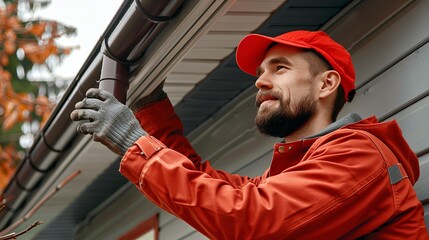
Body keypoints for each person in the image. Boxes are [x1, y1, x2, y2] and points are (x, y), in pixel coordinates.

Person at [71, 30, 429, 239]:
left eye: (280, 68)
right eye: (260, 72)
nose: (259, 81)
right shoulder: (299, 172)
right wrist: (150, 109)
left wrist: (134, 142)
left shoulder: (359, 156)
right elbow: (203, 181)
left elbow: (247, 219)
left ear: (327, 83)